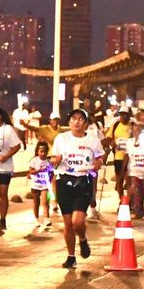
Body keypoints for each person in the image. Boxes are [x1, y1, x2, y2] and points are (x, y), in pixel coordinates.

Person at [50, 109, 104, 268]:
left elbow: (100, 157)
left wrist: (97, 164)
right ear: (69, 122)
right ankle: (71, 256)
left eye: (81, 119)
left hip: (83, 182)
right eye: (74, 119)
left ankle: (83, 239)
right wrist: (56, 160)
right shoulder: (61, 138)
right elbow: (54, 158)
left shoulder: (93, 140)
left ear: (86, 123)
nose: (77, 122)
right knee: (68, 223)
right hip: (64, 182)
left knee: (77, 221)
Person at [103, 107, 133, 199]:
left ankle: (129, 201)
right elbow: (109, 137)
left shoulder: (133, 125)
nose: (122, 117)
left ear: (129, 115)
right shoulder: (115, 125)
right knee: (119, 180)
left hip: (131, 159)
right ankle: (121, 200)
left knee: (129, 181)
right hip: (118, 157)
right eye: (121, 114)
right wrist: (111, 143)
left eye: (125, 115)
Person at [28, 141, 54, 228]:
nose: (43, 153)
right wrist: (38, 171)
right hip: (35, 185)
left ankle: (46, 218)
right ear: (37, 151)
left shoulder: (49, 162)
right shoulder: (34, 160)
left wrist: (49, 180)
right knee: (36, 202)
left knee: (45, 201)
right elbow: (30, 171)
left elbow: (52, 173)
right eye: (41, 152)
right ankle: (36, 218)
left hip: (45, 185)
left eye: (45, 152)